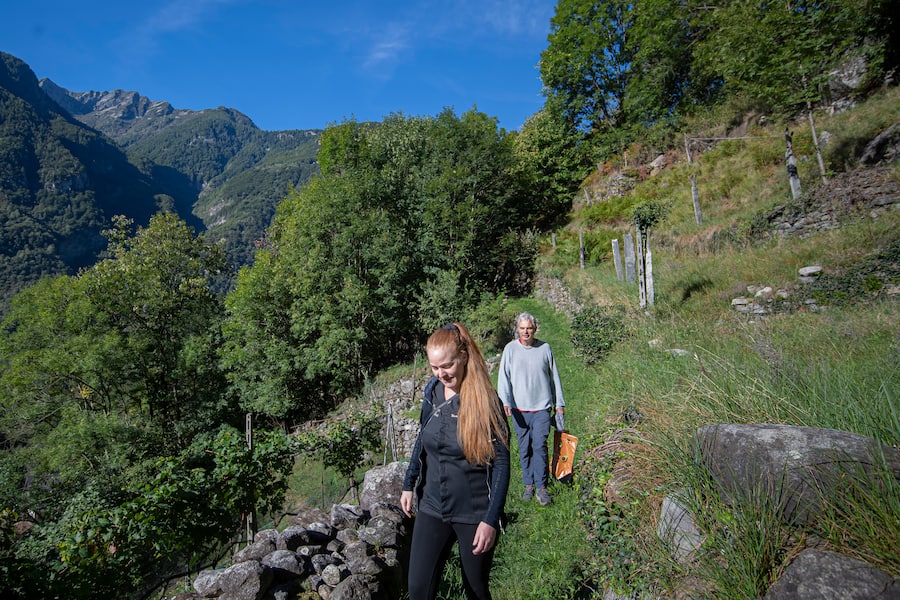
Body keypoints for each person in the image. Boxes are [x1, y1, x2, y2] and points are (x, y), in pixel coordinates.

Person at [401, 322, 510, 600]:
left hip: (473, 511)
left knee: (475, 589)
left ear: (463, 356)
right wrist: (408, 482)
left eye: (446, 366)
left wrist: (490, 519)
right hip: (432, 505)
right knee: (418, 590)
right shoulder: (432, 392)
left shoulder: (487, 402)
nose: (441, 374)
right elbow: (422, 439)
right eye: (435, 368)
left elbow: (501, 464)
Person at [497, 312, 565, 506]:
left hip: (542, 408)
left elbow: (555, 378)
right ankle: (528, 484)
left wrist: (559, 404)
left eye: (529, 328)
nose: (526, 331)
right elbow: (503, 378)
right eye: (522, 328)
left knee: (540, 446)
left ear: (534, 329)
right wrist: (505, 402)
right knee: (524, 447)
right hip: (519, 410)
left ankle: (541, 487)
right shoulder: (510, 349)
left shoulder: (545, 349)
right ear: (517, 329)